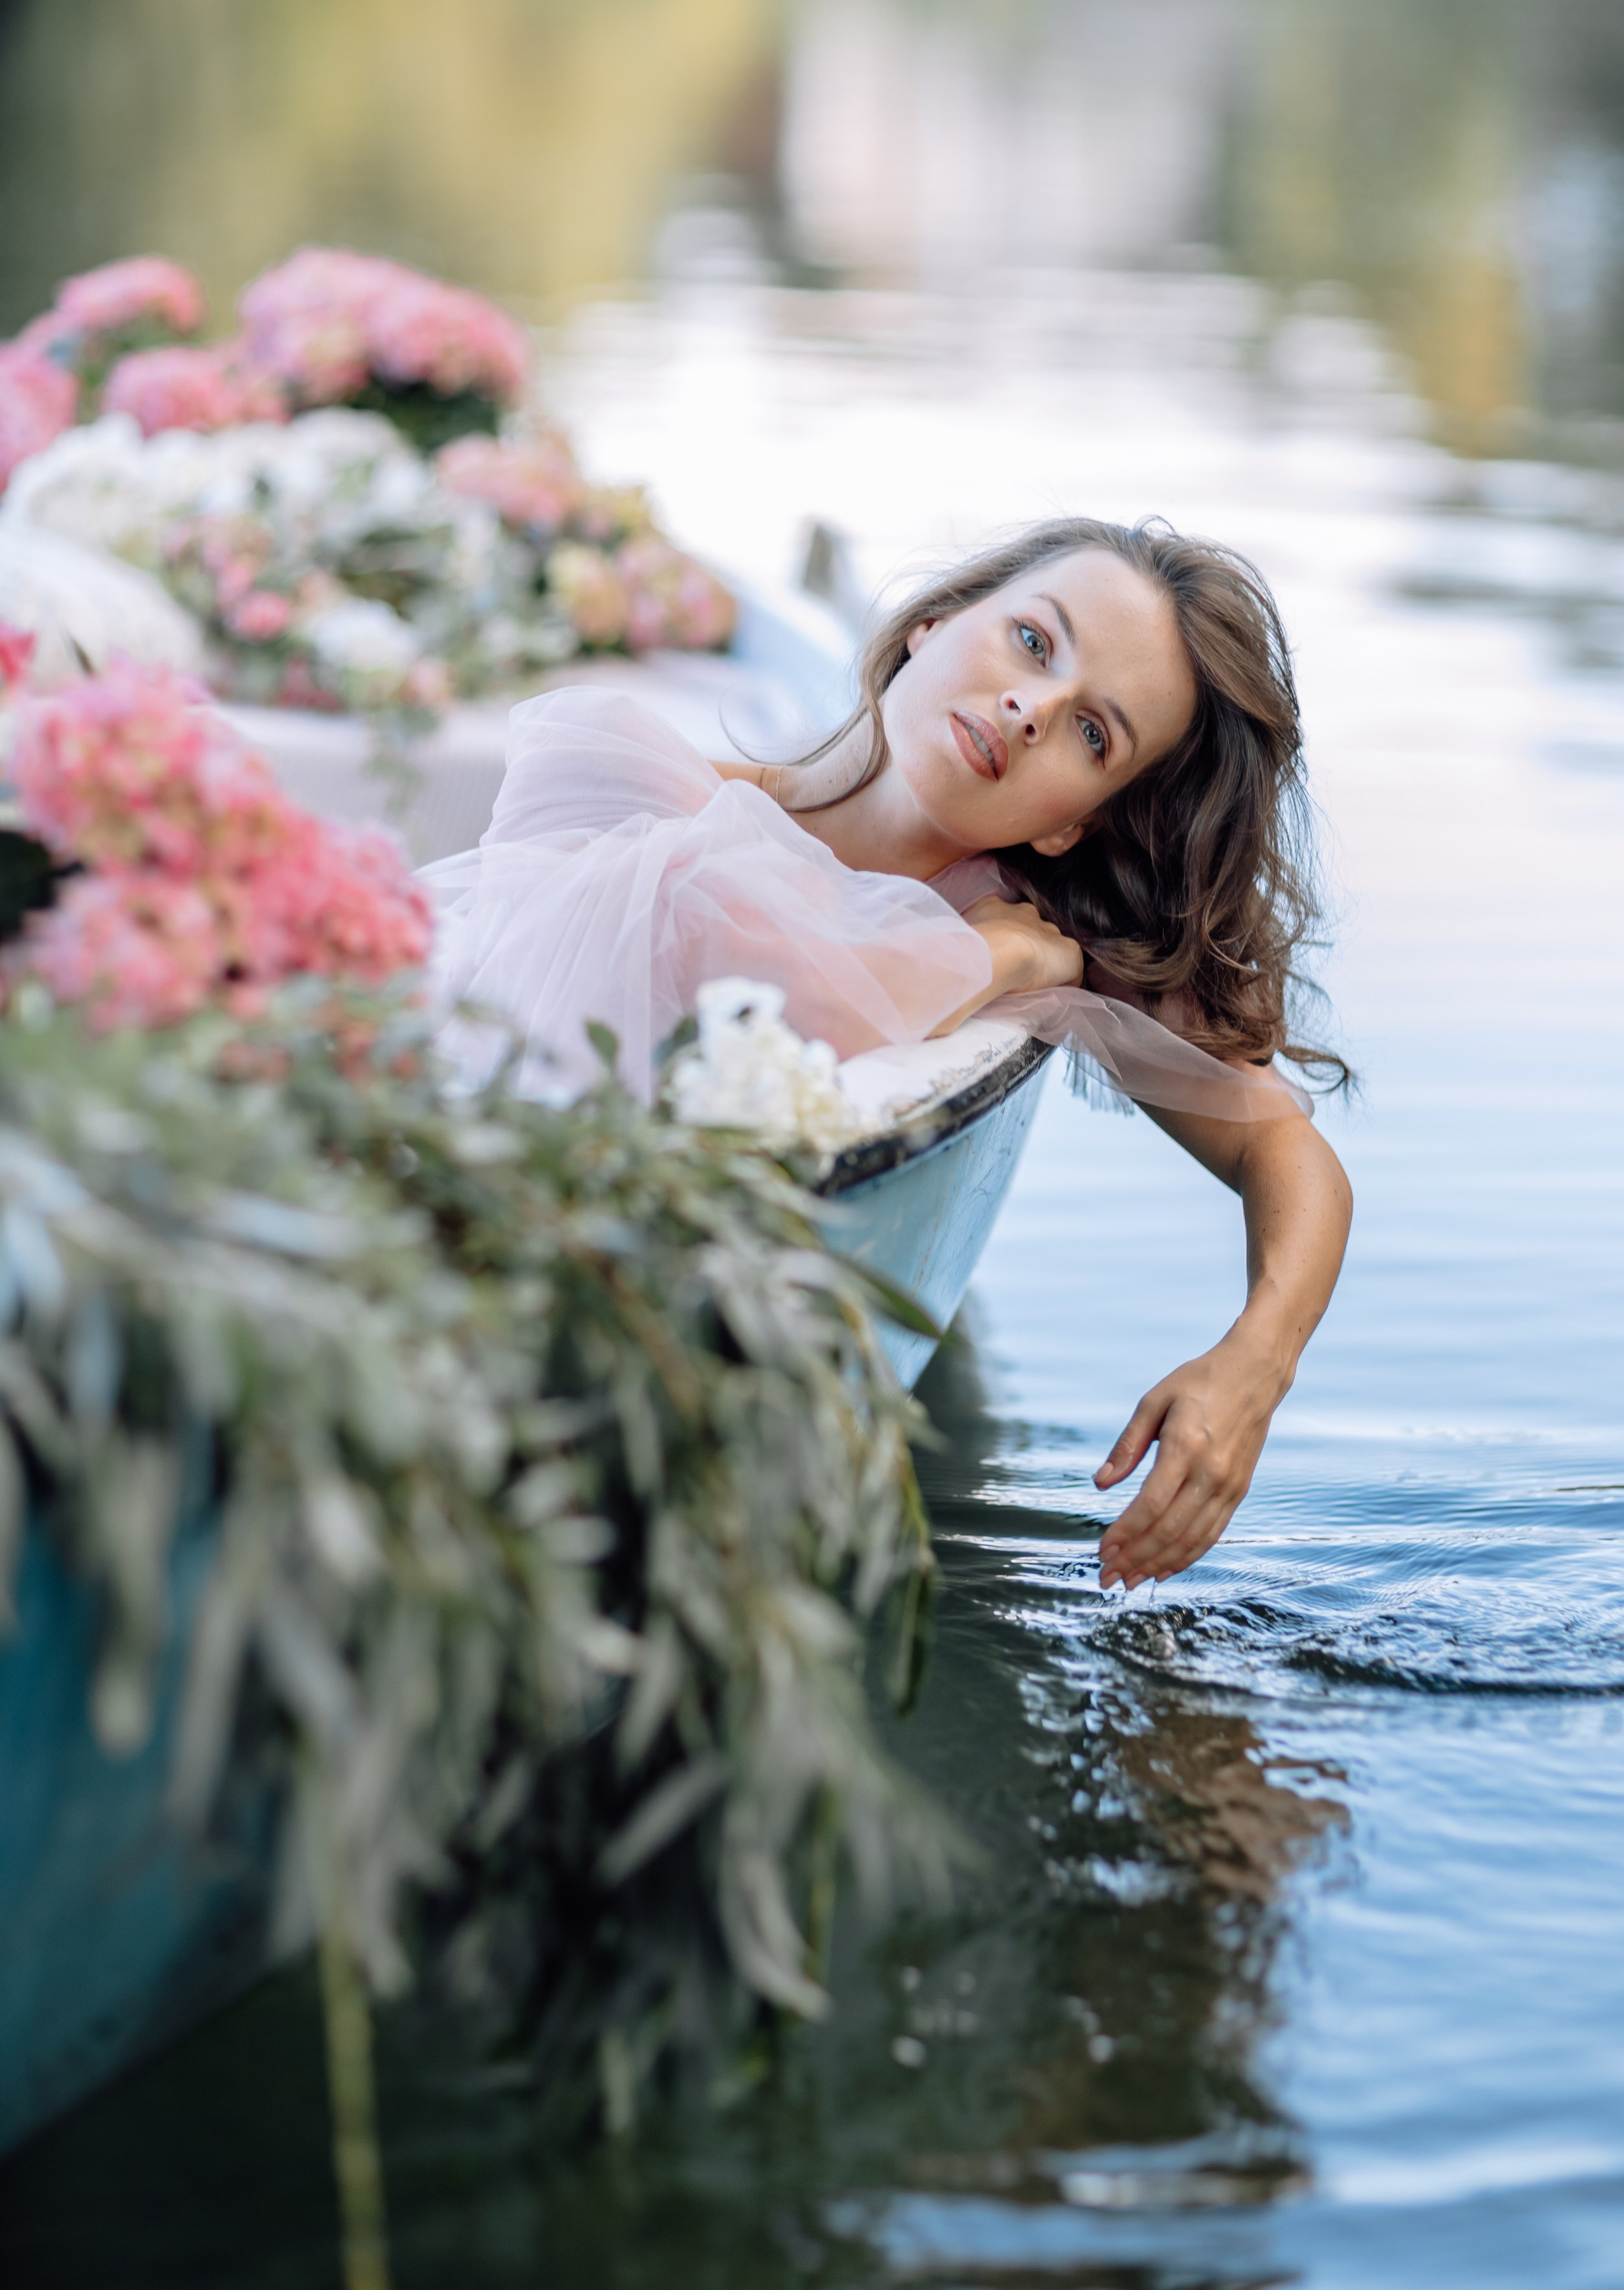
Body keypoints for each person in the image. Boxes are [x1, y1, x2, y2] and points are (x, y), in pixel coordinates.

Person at [427, 516, 1354, 1588]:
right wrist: (974, 965)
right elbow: (777, 984)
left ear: (1071, 827)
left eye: (1094, 736)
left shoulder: (1045, 933)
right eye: (1034, 642)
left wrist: (1254, 1366)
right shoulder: (637, 786)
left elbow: (1283, 1149)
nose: (1032, 706)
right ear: (931, 625)